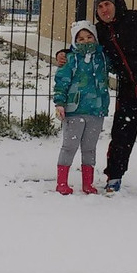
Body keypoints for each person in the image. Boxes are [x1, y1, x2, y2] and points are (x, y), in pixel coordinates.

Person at [56, 0, 137, 197]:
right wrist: (64, 53)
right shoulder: (100, 31)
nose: (104, 10)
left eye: (106, 5)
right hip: (129, 89)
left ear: (115, 4)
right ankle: (114, 177)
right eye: (99, 7)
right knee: (122, 135)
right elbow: (83, 46)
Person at [52, 20, 109, 195]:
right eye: (81, 38)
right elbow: (61, 82)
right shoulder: (70, 59)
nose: (85, 41)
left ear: (96, 38)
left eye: (89, 37)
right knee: (69, 146)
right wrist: (60, 103)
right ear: (75, 41)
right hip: (74, 110)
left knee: (89, 148)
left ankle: (88, 184)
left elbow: (118, 67)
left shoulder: (103, 58)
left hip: (96, 110)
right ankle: (62, 182)